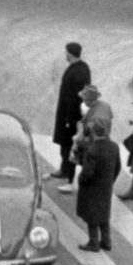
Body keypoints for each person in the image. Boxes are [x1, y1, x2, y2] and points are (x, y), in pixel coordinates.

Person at [75, 117, 120, 251]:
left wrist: (80, 180)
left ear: (93, 132)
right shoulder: (114, 147)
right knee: (104, 215)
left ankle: (93, 242)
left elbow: (87, 173)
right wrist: (110, 181)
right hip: (106, 187)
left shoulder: (92, 150)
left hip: (92, 188)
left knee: (92, 215)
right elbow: (117, 167)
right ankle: (106, 241)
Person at [51, 42, 90, 192]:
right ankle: (64, 169)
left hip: (70, 117)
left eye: (66, 52)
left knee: (69, 147)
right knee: (65, 145)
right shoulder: (83, 67)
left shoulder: (76, 72)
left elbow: (75, 98)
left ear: (71, 54)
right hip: (69, 114)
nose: (65, 54)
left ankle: (68, 176)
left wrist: (70, 119)